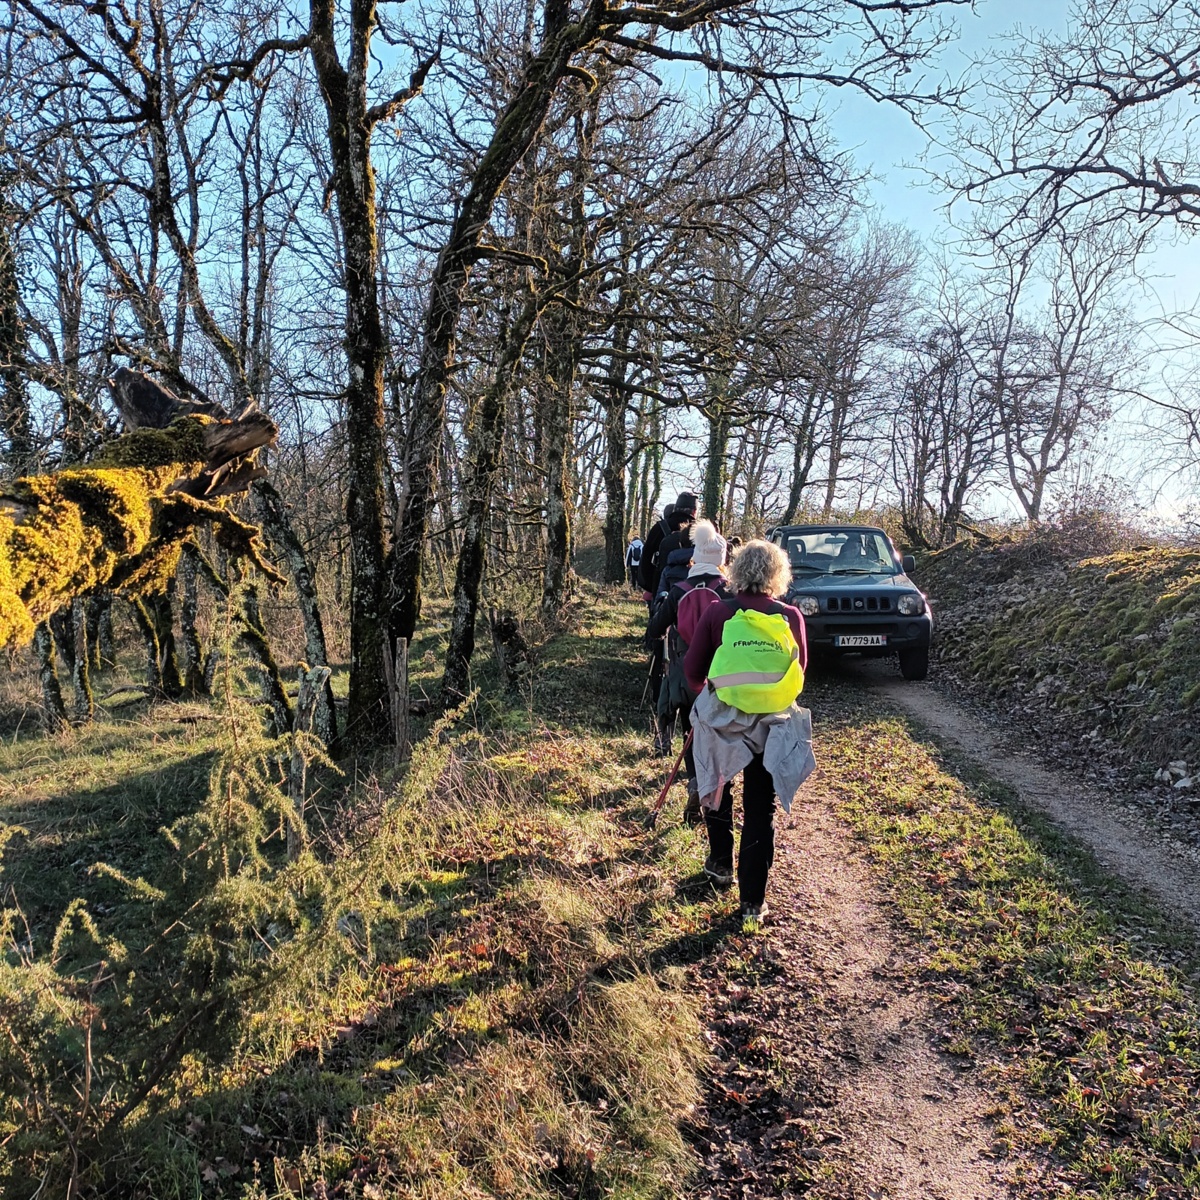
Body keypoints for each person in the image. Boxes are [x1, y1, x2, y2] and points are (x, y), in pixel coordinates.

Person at [684, 540, 814, 922]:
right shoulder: (790, 616)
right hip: (773, 722)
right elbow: (800, 672)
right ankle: (753, 902)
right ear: (778, 574)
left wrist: (714, 697)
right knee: (760, 806)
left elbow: (692, 672)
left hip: (725, 720)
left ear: (735, 571)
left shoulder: (717, 612)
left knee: (717, 787)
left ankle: (720, 863)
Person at [646, 520, 731, 825]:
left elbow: (655, 629)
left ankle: (695, 783)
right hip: (720, 677)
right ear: (721, 560)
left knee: (689, 731)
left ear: (695, 557)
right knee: (718, 734)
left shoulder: (679, 590)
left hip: (684, 675)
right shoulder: (728, 592)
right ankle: (715, 793)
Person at [638, 492, 696, 594]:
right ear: (694, 511)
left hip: (661, 588)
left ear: (675, 508)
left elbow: (645, 560)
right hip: (693, 589)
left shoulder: (659, 528)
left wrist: (653, 587)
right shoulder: (700, 530)